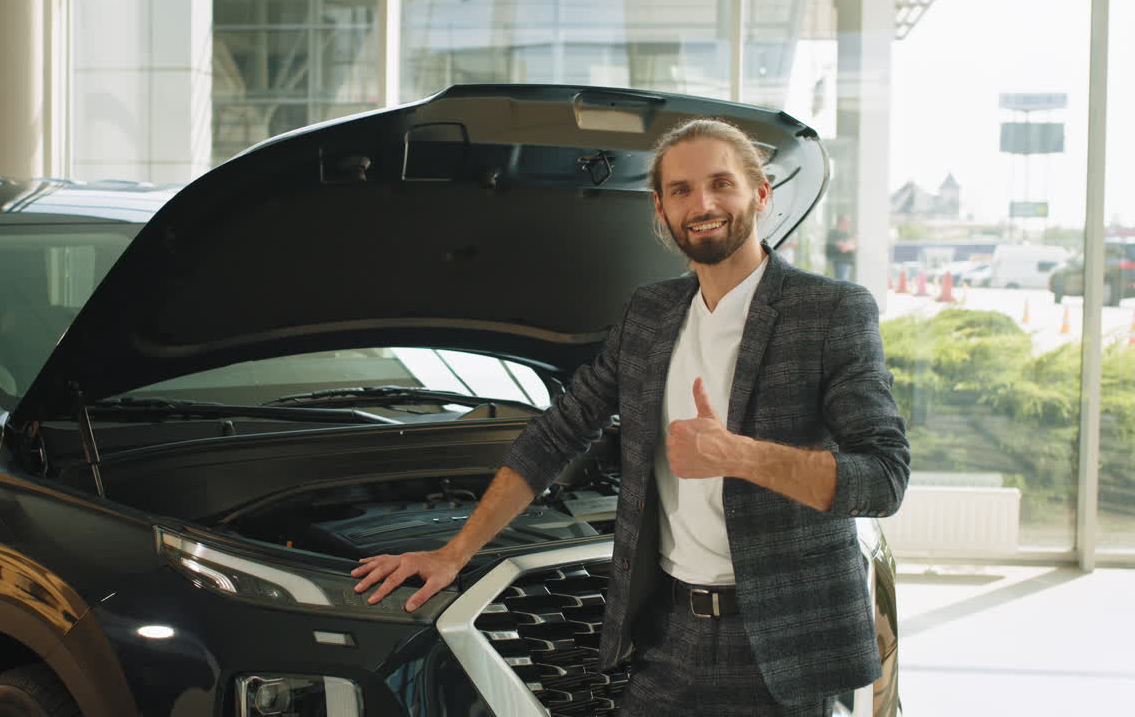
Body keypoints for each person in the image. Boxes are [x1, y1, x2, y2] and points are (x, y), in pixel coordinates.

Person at [350, 118, 910, 716]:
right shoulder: (651, 312)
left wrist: (737, 455)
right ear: (661, 210)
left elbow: (883, 478)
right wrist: (453, 552)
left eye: (722, 183)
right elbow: (559, 431)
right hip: (668, 639)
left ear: (760, 193)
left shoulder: (830, 312)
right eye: (681, 190)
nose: (703, 204)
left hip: (782, 648)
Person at [826, 214, 857, 281]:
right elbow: (843, 248)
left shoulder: (847, 233)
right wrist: (851, 241)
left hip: (847, 263)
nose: (849, 224)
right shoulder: (834, 233)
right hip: (839, 263)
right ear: (841, 222)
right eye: (847, 222)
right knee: (841, 283)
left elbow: (853, 247)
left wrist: (849, 244)